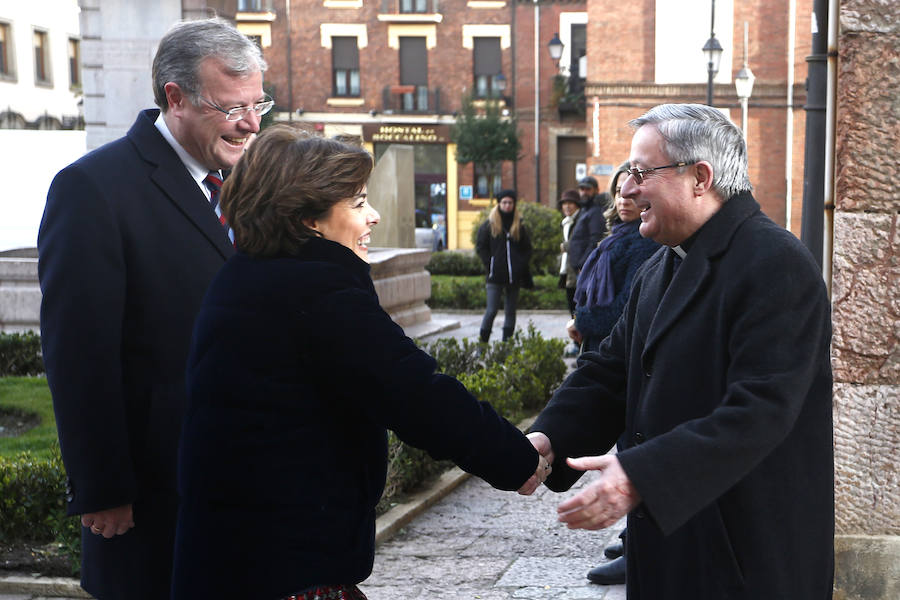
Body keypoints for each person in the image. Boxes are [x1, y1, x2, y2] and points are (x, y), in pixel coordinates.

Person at [171, 126, 550, 600]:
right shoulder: (318, 291)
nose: (372, 216)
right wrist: (515, 458)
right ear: (308, 218)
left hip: (235, 555)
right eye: (356, 203)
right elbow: (414, 392)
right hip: (283, 565)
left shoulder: (247, 275)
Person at [528, 103, 833, 599]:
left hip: (745, 559)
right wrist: (547, 440)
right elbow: (608, 372)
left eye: (642, 172)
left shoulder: (776, 263)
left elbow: (761, 409)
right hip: (671, 555)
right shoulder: (661, 266)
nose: (626, 188)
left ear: (700, 177)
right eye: (628, 173)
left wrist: (642, 473)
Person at [37, 18, 269, 599]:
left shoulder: (244, 181)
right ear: (175, 98)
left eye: (258, 103)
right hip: (152, 498)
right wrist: (103, 487)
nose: (250, 123)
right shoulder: (92, 189)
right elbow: (80, 354)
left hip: (243, 487)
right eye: (231, 107)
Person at [568, 163, 660, 355]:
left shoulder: (646, 242)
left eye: (632, 193)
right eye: (619, 192)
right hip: (598, 344)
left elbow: (625, 309)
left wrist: (580, 321)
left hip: (616, 352)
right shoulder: (614, 237)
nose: (624, 200)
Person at [475, 189, 534, 342]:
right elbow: (481, 247)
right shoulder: (489, 225)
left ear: (514, 205)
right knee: (491, 310)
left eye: (510, 203)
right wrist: (491, 264)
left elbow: (527, 248)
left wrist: (519, 265)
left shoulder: (518, 225)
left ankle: (506, 346)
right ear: (499, 204)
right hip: (494, 276)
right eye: (504, 202)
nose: (507, 205)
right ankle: (482, 345)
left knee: (510, 312)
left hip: (513, 277)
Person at [566, 175, 609, 275]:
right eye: (582, 189)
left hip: (586, 269)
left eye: (588, 189)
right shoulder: (585, 209)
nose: (584, 192)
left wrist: (584, 264)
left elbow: (596, 240)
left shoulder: (596, 211)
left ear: (596, 190)